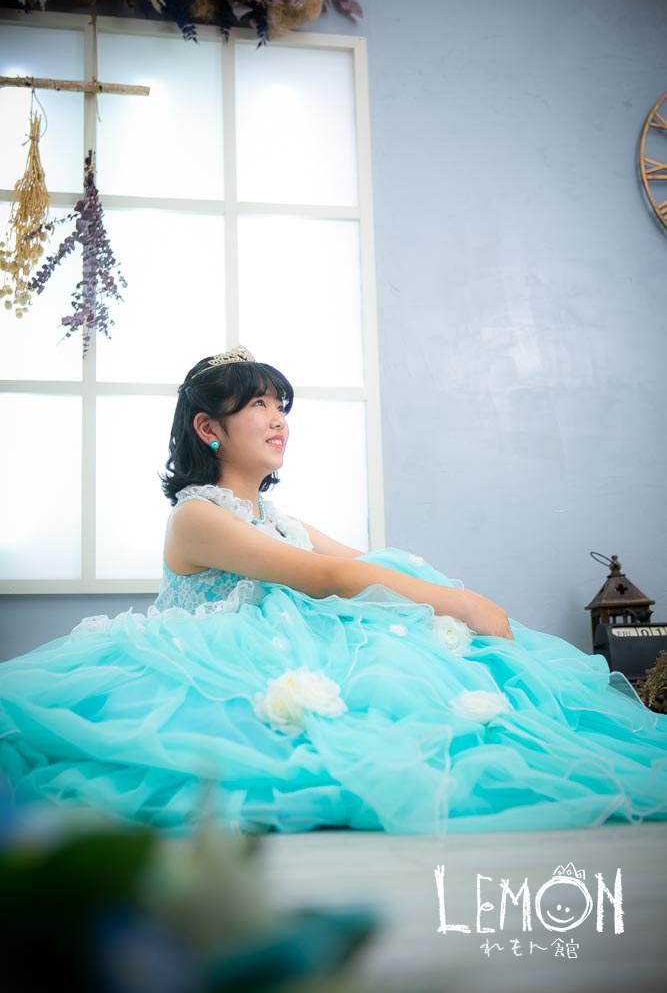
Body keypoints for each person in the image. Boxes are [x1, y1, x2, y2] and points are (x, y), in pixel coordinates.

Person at [1, 346, 666, 838]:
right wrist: (460, 603)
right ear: (209, 428)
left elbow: (365, 563)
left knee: (405, 613)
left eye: (280, 406)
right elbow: (324, 576)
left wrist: (446, 596)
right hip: (204, 674)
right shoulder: (197, 515)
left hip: (266, 653)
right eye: (257, 405)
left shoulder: (277, 519)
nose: (278, 420)